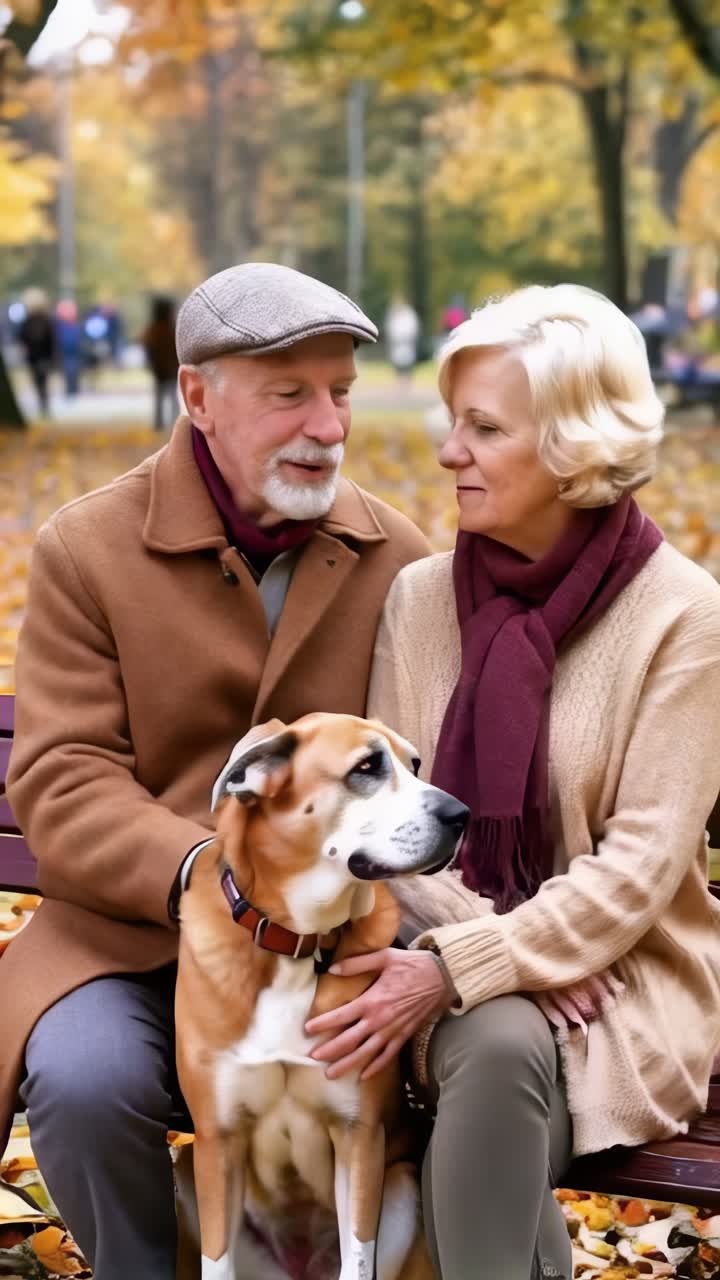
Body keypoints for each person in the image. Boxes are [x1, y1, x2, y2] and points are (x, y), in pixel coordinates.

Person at [1, 261, 430, 1280]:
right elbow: (62, 777)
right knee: (86, 1073)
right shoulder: (88, 547)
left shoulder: (397, 556)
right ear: (198, 395)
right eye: (291, 394)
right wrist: (212, 870)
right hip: (133, 940)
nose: (328, 425)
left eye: (340, 393)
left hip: (332, 949)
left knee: (436, 1066)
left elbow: (426, 768)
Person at [305, 283, 720, 1280]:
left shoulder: (683, 618)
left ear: (577, 443)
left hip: (623, 986)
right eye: (455, 423)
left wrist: (474, 963)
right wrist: (497, 955)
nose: (448, 452)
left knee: (494, 1049)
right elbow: (389, 826)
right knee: (493, 1038)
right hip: (429, 960)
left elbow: (638, 871)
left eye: (484, 428)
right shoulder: (420, 598)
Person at [141, 294, 180, 431]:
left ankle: (160, 423)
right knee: (170, 396)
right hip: (169, 368)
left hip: (160, 369)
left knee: (161, 396)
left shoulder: (153, 330)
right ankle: (173, 423)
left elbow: (147, 348)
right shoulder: (172, 329)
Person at [17, 288, 55, 416]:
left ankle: (43, 406)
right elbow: (52, 341)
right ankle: (44, 406)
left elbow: (21, 338)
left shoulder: (27, 321)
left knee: (39, 382)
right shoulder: (47, 320)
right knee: (42, 382)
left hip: (34, 357)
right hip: (43, 357)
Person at [384, 295, 420, 379]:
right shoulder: (393, 314)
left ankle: (407, 380)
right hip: (397, 344)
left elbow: (412, 328)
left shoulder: (409, 314)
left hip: (407, 343)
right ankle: (399, 380)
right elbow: (391, 328)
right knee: (398, 364)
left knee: (408, 363)